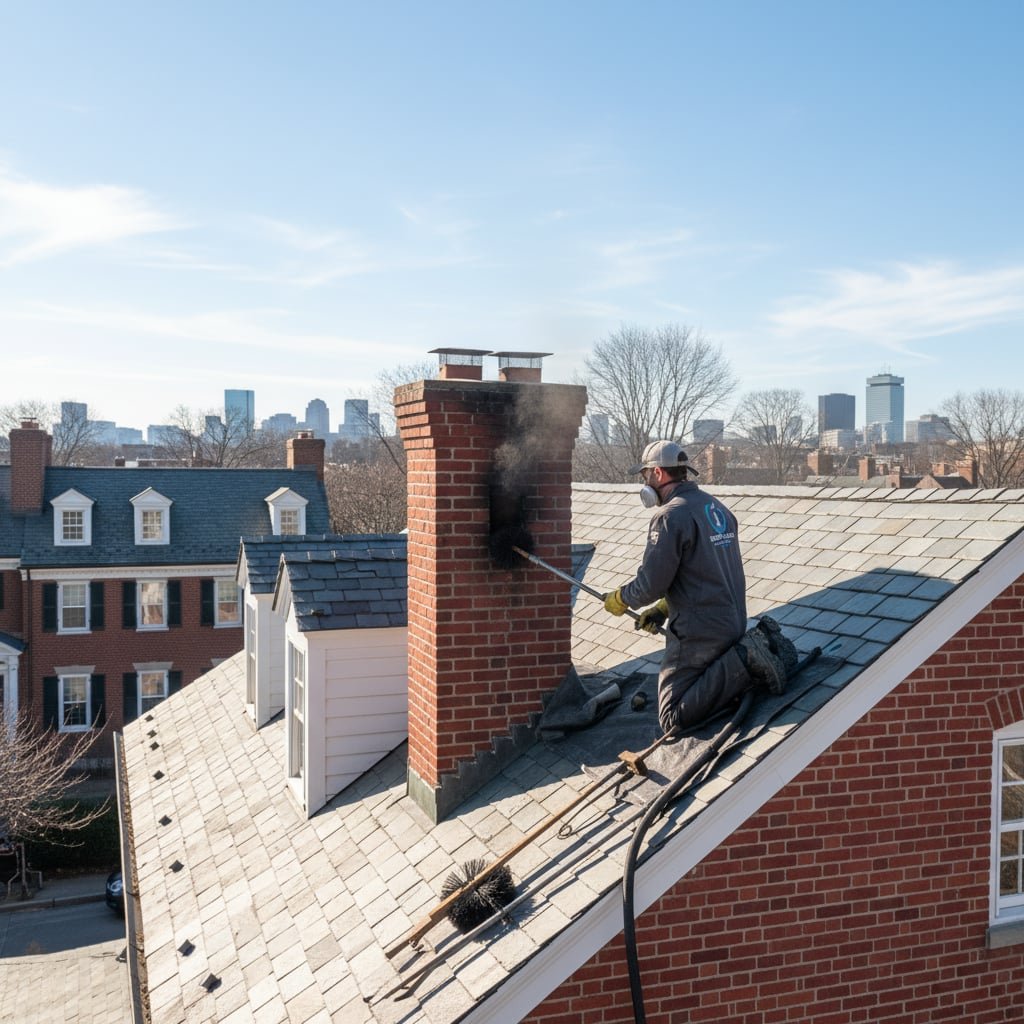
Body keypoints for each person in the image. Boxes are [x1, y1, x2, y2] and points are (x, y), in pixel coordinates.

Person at [603, 440, 792, 734]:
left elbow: (650, 584)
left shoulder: (669, 516)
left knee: (672, 716)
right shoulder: (716, 508)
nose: (644, 482)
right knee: (707, 693)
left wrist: (621, 598)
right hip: (731, 623)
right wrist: (664, 609)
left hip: (700, 634)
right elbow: (706, 571)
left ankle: (745, 660)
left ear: (658, 474)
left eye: (645, 476)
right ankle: (744, 659)